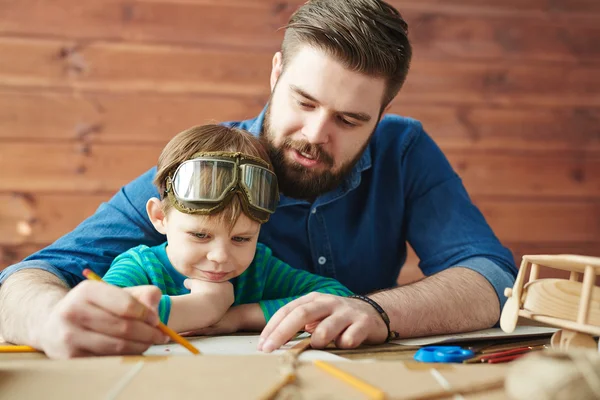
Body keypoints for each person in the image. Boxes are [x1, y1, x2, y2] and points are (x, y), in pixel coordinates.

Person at [0, 0, 517, 358]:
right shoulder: (204, 165)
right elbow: (26, 279)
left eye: (350, 120)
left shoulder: (404, 150)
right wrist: (49, 320)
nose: (315, 135)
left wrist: (377, 312)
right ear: (275, 74)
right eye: (304, 101)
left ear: (382, 114)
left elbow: (492, 278)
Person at [101, 124, 352, 334]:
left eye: (241, 238)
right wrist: (205, 307)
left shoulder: (258, 270)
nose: (220, 256)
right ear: (159, 217)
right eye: (200, 235)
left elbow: (338, 297)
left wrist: (238, 317)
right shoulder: (141, 266)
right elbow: (106, 314)